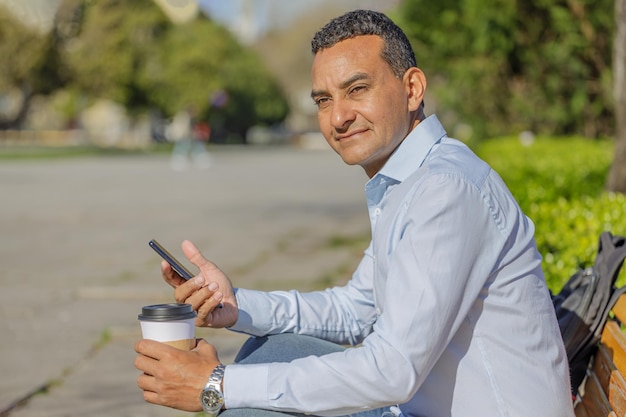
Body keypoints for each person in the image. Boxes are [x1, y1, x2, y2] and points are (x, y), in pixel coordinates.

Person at [135, 10, 575, 417]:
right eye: (324, 100)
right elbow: (356, 310)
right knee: (270, 351)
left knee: (250, 403)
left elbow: (392, 369)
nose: (339, 116)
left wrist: (216, 385)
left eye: (357, 89)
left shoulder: (444, 192)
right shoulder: (409, 182)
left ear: (412, 88)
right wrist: (236, 306)